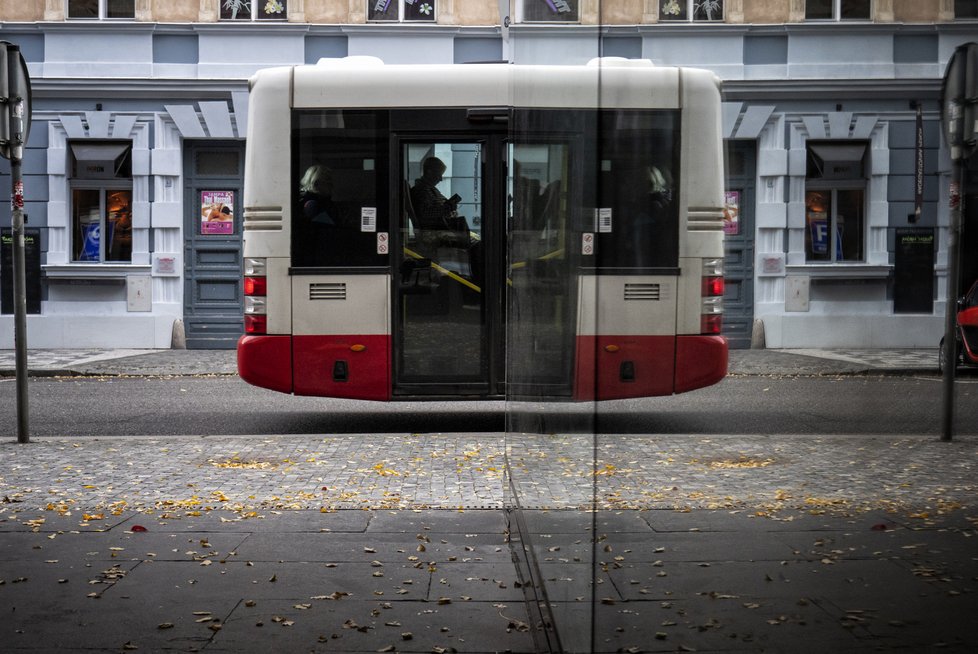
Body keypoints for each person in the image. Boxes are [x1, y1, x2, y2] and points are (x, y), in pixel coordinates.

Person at [410, 157, 464, 232]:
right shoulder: (420, 191)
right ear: (429, 172)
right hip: (435, 234)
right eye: (439, 174)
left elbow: (441, 205)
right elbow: (424, 213)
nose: (441, 179)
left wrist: (450, 209)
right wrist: (447, 209)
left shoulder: (430, 189)